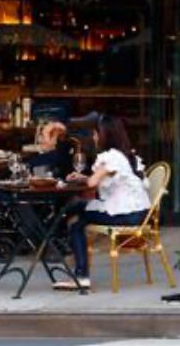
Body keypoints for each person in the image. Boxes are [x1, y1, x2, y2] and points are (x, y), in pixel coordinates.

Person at [56, 115, 150, 291]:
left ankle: (80, 274)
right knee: (76, 210)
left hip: (125, 214)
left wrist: (86, 179)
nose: (94, 137)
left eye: (95, 133)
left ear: (105, 134)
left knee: (75, 220)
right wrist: (83, 177)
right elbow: (103, 178)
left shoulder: (111, 157)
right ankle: (62, 240)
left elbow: (92, 183)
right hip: (139, 213)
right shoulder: (126, 155)